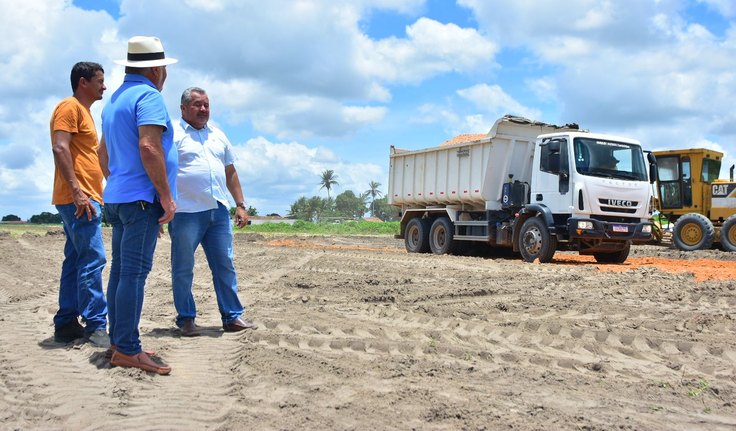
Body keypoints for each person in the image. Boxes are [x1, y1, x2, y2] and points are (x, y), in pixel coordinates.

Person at [98, 36, 178, 375]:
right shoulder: (149, 96)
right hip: (141, 200)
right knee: (133, 273)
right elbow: (149, 146)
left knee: (119, 271)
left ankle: (119, 340)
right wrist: (164, 196)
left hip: (117, 198)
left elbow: (102, 154)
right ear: (157, 68)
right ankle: (128, 349)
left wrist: (118, 182)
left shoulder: (115, 99)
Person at [168, 87, 257, 337]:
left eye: (206, 104)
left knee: (224, 264)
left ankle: (231, 317)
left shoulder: (218, 135)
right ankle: (186, 318)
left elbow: (230, 171)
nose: (204, 109)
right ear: (183, 108)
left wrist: (240, 204)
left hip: (217, 211)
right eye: (197, 105)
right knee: (183, 266)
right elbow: (160, 169)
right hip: (185, 211)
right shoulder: (171, 134)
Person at [50, 61, 109, 347]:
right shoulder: (69, 107)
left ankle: (66, 323)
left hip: (84, 196)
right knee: (93, 259)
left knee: (75, 260)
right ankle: (97, 325)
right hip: (79, 199)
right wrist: (77, 191)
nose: (104, 86)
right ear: (83, 82)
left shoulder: (83, 112)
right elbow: (60, 146)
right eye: (99, 81)